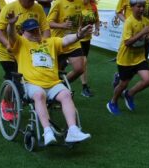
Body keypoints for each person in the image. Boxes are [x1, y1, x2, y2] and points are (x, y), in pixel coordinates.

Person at [6, 16, 92, 146]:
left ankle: (73, 131)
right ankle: (47, 132)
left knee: (66, 94)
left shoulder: (50, 42)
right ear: (23, 33)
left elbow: (65, 40)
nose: (35, 33)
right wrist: (11, 25)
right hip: (31, 83)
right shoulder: (20, 43)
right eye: (31, 31)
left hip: (53, 83)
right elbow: (11, 36)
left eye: (37, 30)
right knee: (39, 95)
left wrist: (79, 35)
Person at [47, 0, 97, 97]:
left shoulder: (79, 1)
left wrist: (80, 28)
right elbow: (48, 23)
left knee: (80, 68)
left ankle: (63, 85)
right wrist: (62, 25)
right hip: (59, 42)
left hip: (74, 41)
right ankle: (53, 93)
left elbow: (80, 16)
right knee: (55, 73)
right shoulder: (58, 3)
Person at [107, 0, 149, 116]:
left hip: (139, 58)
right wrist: (142, 33)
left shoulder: (146, 21)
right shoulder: (129, 22)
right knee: (123, 84)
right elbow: (127, 42)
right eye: (139, 6)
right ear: (131, 7)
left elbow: (144, 39)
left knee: (148, 80)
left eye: (143, 6)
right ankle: (112, 102)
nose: (142, 9)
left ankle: (129, 94)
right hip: (126, 59)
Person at [0, 0, 50, 77]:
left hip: (29, 51)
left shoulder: (38, 8)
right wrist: (7, 44)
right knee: (14, 78)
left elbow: (46, 29)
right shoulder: (9, 8)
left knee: (30, 77)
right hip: (8, 53)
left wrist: (44, 43)